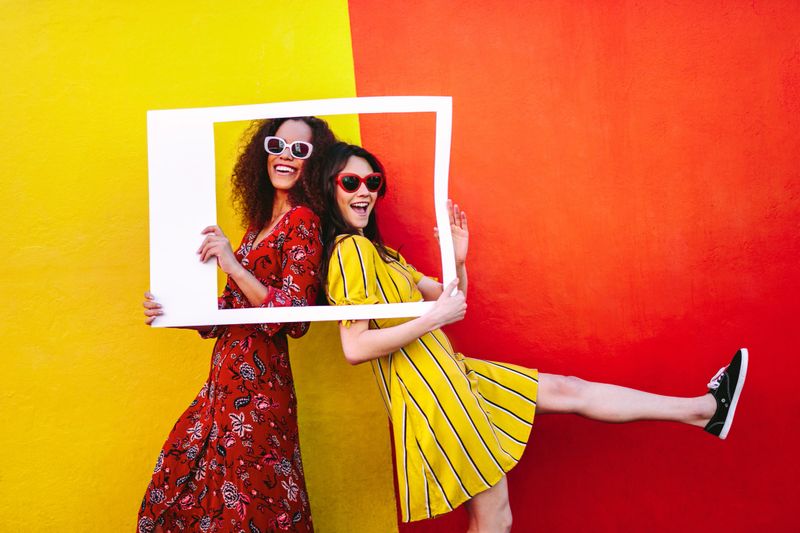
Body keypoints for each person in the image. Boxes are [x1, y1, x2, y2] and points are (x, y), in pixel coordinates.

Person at [318, 142, 748, 532]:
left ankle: (704, 411)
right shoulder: (349, 251)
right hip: (432, 393)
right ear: (330, 188)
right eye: (351, 181)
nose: (365, 191)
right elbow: (355, 348)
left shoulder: (380, 253)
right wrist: (434, 319)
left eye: (372, 182)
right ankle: (704, 409)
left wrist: (460, 261)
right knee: (495, 518)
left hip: (452, 375)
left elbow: (454, 301)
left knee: (568, 390)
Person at [138, 117, 335, 533]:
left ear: (313, 165)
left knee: (256, 505)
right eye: (278, 144)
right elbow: (230, 309)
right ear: (262, 152)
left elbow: (294, 314)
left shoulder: (304, 221)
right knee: (182, 486)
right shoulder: (257, 226)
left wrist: (232, 263)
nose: (286, 155)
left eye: (300, 150)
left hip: (261, 389)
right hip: (224, 381)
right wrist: (171, 311)